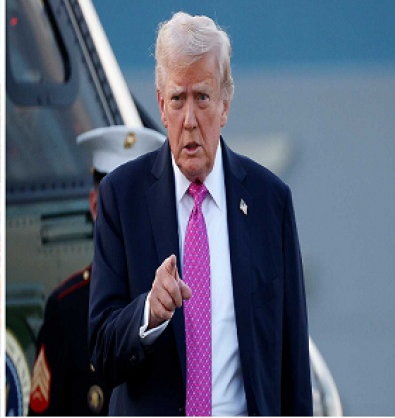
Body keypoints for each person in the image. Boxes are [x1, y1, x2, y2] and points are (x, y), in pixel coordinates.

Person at [88, 12, 311, 415]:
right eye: (178, 98)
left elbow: (292, 360)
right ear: (161, 105)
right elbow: (102, 352)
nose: (189, 120)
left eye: (203, 98)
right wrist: (150, 312)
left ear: (225, 105)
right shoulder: (122, 196)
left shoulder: (270, 201)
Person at [28, 125, 165, 415]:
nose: (127, 218)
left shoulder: (179, 301)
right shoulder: (66, 307)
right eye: (115, 203)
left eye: (138, 204)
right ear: (94, 207)